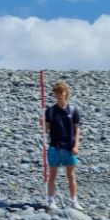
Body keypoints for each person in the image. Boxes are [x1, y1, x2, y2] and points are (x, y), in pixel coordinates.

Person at [43, 81, 82, 211]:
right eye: (57, 93)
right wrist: (42, 123)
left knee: (71, 175)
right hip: (54, 147)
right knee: (52, 175)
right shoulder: (51, 110)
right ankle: (50, 200)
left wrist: (76, 146)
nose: (59, 95)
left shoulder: (73, 110)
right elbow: (45, 130)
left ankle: (74, 201)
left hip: (69, 148)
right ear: (54, 95)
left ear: (66, 93)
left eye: (61, 92)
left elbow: (77, 130)